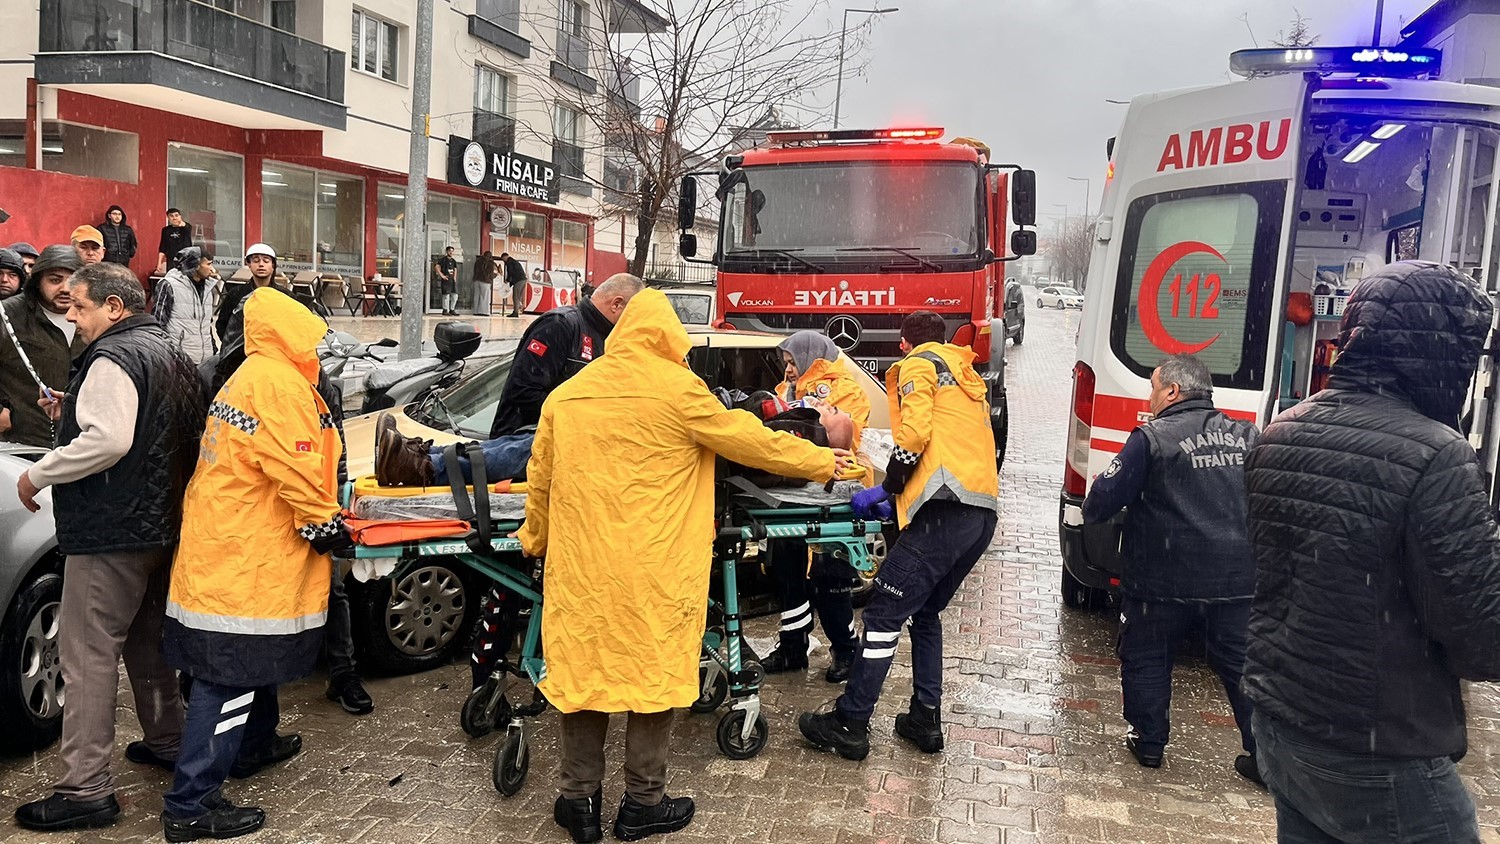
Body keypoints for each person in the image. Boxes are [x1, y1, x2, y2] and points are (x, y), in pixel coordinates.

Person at [521, 288, 857, 843]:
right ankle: (642, 805)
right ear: (668, 338)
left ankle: (578, 804)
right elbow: (752, 442)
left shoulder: (568, 395)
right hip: (656, 569)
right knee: (652, 680)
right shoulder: (680, 391)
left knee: (583, 678)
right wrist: (823, 461)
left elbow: (541, 479)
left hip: (582, 571)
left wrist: (535, 539)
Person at [1244, 261, 1500, 843]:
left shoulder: (1281, 431)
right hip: (1379, 746)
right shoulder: (1437, 456)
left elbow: (1274, 574)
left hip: (1283, 722)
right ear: (1446, 350)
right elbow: (1483, 635)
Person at [12, 263, 204, 832]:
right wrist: (72, 407)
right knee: (149, 647)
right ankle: (168, 740)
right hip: (162, 526)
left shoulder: (112, 356)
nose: (71, 314)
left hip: (111, 531)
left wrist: (38, 474)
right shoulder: (168, 350)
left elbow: (110, 439)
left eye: (80, 305)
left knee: (87, 657)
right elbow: (150, 425)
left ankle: (85, 788)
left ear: (114, 308)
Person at [160, 288, 348, 841]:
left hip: (229, 541)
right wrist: (325, 525)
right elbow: (296, 466)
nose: (317, 345)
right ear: (291, 333)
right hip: (248, 552)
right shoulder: (278, 384)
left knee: (249, 658)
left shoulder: (251, 374)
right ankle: (191, 804)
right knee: (230, 674)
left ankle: (256, 744)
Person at [798, 310, 998, 761]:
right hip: (979, 514)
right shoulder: (964, 376)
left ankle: (850, 722)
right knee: (925, 613)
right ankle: (924, 718)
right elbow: (952, 448)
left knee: (883, 615)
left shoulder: (919, 365)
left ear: (904, 343)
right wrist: (902, 499)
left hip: (942, 516)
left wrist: (887, 487)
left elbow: (915, 433)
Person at [202, 247, 374, 719]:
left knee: (331, 591)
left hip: (309, 506)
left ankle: (341, 673)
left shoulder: (311, 377)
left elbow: (330, 438)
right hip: (251, 519)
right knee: (247, 609)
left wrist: (334, 495)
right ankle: (239, 705)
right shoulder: (230, 377)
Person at [1081, 353, 1260, 782]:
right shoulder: (1248, 436)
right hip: (1234, 580)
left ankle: (1149, 743)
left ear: (1172, 392)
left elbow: (1100, 503)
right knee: (1242, 667)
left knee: (1147, 654)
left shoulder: (1152, 438)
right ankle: (1266, 756)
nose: (1151, 397)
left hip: (1161, 579)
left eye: (1154, 388)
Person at [759, 330, 871, 682]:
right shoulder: (784, 391)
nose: (788, 369)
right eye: (786, 363)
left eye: (793, 362)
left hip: (833, 490)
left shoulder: (844, 389)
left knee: (831, 577)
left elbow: (845, 434)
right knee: (788, 574)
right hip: (792, 490)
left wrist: (808, 417)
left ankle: (846, 650)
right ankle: (793, 648)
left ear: (810, 359)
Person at [490, 274, 642, 439]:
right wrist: (589, 415)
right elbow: (522, 392)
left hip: (567, 444)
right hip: (521, 443)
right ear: (616, 304)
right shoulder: (560, 325)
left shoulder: (612, 339)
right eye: (633, 314)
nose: (634, 322)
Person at [0, 245, 87, 448]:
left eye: (73, 281)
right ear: (38, 281)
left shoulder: (94, 316)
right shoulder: (7, 315)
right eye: (55, 280)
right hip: (21, 441)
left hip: (80, 442)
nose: (65, 288)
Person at [153, 246, 220, 364]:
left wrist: (213, 350)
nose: (212, 269)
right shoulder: (169, 285)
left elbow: (205, 325)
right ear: (196, 265)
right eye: (208, 264)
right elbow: (157, 324)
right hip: (178, 360)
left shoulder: (208, 287)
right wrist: (170, 354)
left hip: (205, 359)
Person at [216, 243, 278, 341]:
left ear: (273, 265)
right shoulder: (236, 294)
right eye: (256, 260)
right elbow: (222, 324)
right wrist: (232, 346)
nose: (261, 264)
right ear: (249, 264)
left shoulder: (285, 295)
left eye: (266, 260)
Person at [157, 208, 193, 274]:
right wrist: (159, 263)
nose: (174, 218)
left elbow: (186, 227)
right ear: (168, 218)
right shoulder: (166, 230)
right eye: (171, 216)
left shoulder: (186, 227)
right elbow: (162, 247)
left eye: (176, 215)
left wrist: (180, 223)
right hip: (171, 260)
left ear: (180, 216)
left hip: (185, 260)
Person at [435, 246, 459, 315]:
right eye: (449, 251)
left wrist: (455, 277)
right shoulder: (443, 260)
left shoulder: (453, 261)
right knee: (446, 295)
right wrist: (442, 275)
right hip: (446, 279)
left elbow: (455, 269)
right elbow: (436, 267)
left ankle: (452, 309)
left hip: (452, 280)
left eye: (452, 251)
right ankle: (445, 310)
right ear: (447, 251)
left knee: (455, 295)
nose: (451, 252)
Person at [501, 252, 527, 317]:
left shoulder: (509, 262)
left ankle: (515, 312)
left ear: (505, 257)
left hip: (518, 281)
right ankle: (517, 310)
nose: (503, 261)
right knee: (518, 296)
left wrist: (507, 280)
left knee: (515, 296)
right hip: (522, 280)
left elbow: (510, 272)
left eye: (503, 259)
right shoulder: (514, 261)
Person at [472, 250, 495, 317]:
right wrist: (493, 276)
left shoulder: (478, 261)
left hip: (477, 280)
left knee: (477, 296)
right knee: (485, 296)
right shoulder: (490, 262)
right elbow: (490, 272)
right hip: (485, 281)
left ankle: (476, 311)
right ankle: (484, 311)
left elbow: (475, 270)